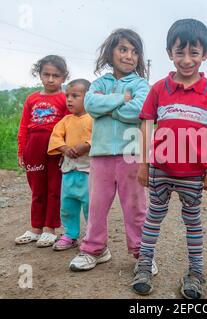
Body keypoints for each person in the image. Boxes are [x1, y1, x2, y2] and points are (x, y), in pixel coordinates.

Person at [132, 19, 207, 299]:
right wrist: (143, 164)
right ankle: (143, 267)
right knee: (154, 218)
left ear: (206, 54)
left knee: (193, 222)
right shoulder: (159, 89)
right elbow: (145, 126)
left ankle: (196, 273)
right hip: (161, 169)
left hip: (193, 174)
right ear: (169, 53)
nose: (187, 60)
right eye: (180, 52)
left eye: (194, 53)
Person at [69, 29, 151, 271]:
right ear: (110, 52)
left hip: (131, 155)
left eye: (134, 52)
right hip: (101, 155)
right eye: (123, 49)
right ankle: (94, 249)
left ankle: (142, 254)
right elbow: (90, 104)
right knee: (97, 206)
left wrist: (110, 108)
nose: (129, 56)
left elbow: (137, 111)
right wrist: (120, 99)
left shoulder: (141, 84)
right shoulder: (98, 84)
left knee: (135, 208)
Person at [15, 55, 70, 247]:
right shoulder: (32, 99)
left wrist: (65, 151)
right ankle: (36, 228)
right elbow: (23, 127)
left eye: (56, 75)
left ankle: (50, 229)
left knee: (55, 188)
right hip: (34, 147)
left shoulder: (65, 99)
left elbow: (69, 126)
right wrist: (22, 151)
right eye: (46, 74)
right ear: (39, 75)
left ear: (64, 77)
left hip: (55, 148)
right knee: (37, 188)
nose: (50, 79)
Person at [47, 79, 92, 251]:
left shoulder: (94, 119)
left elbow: (100, 137)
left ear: (89, 98)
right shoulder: (66, 120)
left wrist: (86, 145)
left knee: (90, 206)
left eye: (75, 96)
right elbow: (55, 137)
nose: (69, 100)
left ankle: (92, 234)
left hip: (88, 171)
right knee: (67, 205)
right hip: (68, 171)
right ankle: (70, 234)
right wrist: (65, 148)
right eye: (67, 96)